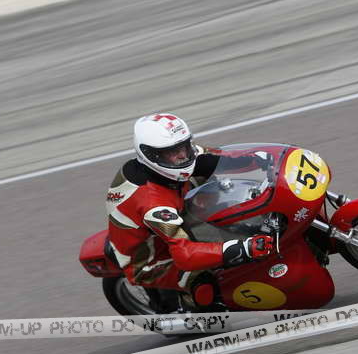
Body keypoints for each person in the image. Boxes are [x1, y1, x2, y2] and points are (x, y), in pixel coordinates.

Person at [105, 113, 274, 312]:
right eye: (172, 152)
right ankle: (198, 316)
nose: (183, 156)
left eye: (184, 146)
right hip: (150, 260)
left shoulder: (180, 158)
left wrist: (261, 159)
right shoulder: (152, 203)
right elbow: (184, 254)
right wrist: (244, 248)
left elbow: (221, 159)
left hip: (176, 209)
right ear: (152, 155)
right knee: (204, 284)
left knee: (224, 191)